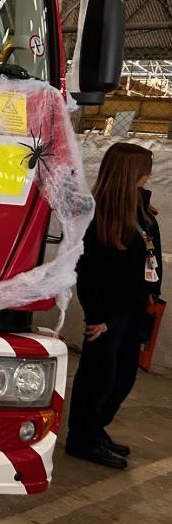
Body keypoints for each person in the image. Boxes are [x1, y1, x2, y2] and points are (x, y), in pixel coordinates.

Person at [66, 142, 159, 469]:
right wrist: (97, 316)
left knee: (124, 378)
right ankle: (82, 439)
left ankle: (95, 430)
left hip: (133, 311)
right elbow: (87, 272)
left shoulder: (142, 213)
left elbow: (149, 259)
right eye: (145, 169)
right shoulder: (100, 215)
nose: (149, 174)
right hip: (109, 316)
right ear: (129, 173)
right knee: (99, 377)